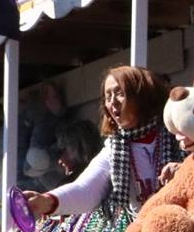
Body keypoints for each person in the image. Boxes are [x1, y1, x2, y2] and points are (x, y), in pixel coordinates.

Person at [22, 67, 182, 220]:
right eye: (108, 96)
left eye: (120, 93)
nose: (113, 102)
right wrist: (46, 201)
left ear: (142, 96)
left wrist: (184, 170)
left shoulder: (180, 135)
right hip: (140, 231)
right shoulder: (113, 149)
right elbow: (85, 190)